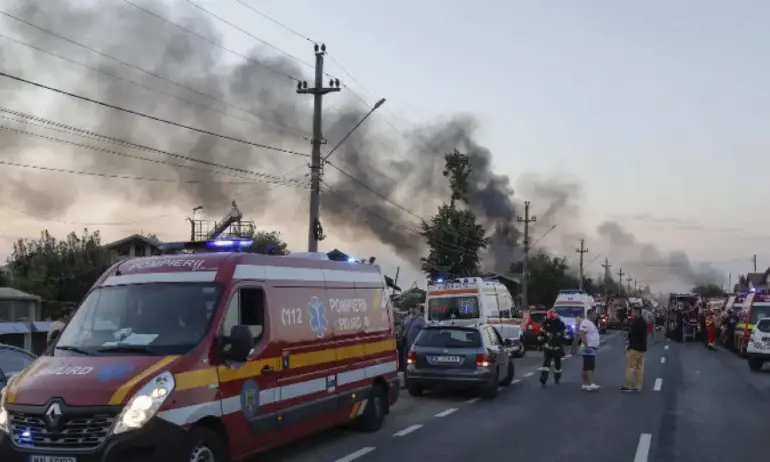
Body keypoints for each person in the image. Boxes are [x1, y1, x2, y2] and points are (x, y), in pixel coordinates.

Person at [621, 306, 648, 392]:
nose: (632, 314)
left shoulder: (635, 323)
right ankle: (638, 386)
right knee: (640, 368)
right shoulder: (644, 322)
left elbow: (631, 334)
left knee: (630, 367)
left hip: (634, 347)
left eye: (633, 312)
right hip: (643, 348)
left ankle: (628, 385)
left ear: (637, 313)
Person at [537, 309, 567, 386]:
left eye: (552, 319)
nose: (550, 321)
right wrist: (540, 344)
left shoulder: (560, 323)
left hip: (557, 347)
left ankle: (557, 378)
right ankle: (543, 378)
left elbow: (565, 333)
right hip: (548, 347)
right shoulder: (545, 324)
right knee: (546, 364)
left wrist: (562, 338)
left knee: (558, 366)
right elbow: (541, 335)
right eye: (549, 319)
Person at [578, 307, 601, 391]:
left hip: (590, 347)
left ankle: (585, 384)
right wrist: (587, 346)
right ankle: (591, 383)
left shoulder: (590, 322)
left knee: (586, 366)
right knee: (590, 366)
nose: (595, 315)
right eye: (594, 313)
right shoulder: (585, 322)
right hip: (588, 347)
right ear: (590, 314)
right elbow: (582, 334)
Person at [400, 306, 425, 371]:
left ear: (418, 310)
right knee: (406, 360)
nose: (413, 310)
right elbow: (402, 329)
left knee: (413, 361)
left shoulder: (421, 320)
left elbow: (424, 332)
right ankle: (406, 372)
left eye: (415, 308)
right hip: (406, 344)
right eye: (411, 308)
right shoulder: (407, 319)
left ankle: (413, 371)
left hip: (415, 345)